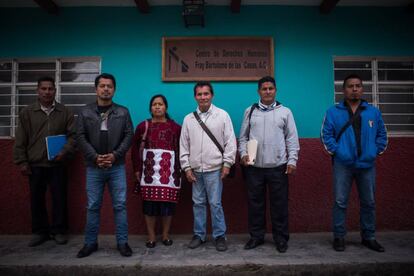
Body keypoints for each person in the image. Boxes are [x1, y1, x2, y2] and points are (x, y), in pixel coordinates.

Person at [321, 74, 387, 252]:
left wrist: (374, 151)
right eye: (350, 86)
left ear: (362, 89)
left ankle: (369, 237)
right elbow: (326, 136)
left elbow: (382, 135)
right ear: (344, 90)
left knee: (369, 202)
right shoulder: (333, 112)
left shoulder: (373, 112)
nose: (355, 89)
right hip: (343, 165)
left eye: (358, 85)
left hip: (367, 165)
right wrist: (339, 152)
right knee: (340, 201)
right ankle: (339, 237)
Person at [239, 76, 299, 253]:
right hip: (254, 167)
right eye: (264, 89)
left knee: (279, 205)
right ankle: (256, 237)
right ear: (259, 91)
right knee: (255, 204)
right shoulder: (249, 111)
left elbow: (292, 138)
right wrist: (243, 154)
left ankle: (281, 239)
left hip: (278, 167)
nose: (267, 92)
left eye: (270, 89)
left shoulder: (285, 112)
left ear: (275, 90)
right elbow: (243, 137)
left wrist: (292, 160)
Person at [13, 76, 76, 247]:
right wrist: (21, 161)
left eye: (50, 89)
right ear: (37, 91)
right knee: (36, 199)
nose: (47, 92)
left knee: (59, 198)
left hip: (58, 163)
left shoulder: (65, 112)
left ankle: (59, 231)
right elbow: (20, 139)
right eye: (44, 89)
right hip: (35, 163)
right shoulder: (27, 112)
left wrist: (64, 151)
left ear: (55, 91)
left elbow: (73, 136)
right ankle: (40, 232)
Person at [76, 73, 133, 258]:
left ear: (114, 90)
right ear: (96, 89)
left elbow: (128, 135)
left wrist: (115, 155)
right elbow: (80, 136)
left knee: (120, 205)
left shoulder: (123, 112)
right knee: (93, 206)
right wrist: (95, 157)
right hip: (94, 167)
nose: (106, 89)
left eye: (109, 86)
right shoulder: (85, 112)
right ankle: (90, 243)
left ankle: (123, 242)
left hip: (116, 167)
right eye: (102, 86)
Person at [180, 81, 236, 252]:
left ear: (212, 95)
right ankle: (199, 235)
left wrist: (227, 163)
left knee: (215, 203)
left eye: (206, 94)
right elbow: (184, 145)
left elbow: (230, 142)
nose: (203, 97)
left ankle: (220, 236)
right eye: (199, 94)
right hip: (196, 170)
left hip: (215, 169)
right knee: (198, 203)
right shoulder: (188, 119)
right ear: (195, 96)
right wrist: (187, 168)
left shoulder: (222, 115)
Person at [131, 94, 181, 248]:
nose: (157, 107)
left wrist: (181, 169)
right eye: (154, 104)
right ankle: (151, 236)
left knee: (167, 205)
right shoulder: (142, 127)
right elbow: (134, 150)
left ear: (166, 107)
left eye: (160, 104)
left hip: (170, 174)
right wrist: (137, 169)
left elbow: (182, 149)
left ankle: (165, 234)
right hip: (148, 173)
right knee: (149, 205)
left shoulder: (175, 128)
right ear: (150, 108)